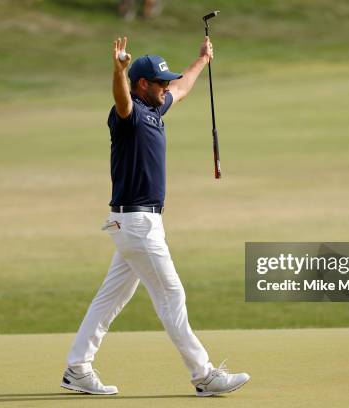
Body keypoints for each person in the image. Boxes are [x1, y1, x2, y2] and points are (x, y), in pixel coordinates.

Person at [61, 36, 250, 397]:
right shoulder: (128, 113)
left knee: (110, 298)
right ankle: (204, 375)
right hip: (137, 223)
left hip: (136, 223)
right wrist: (118, 71)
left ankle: (77, 367)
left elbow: (182, 90)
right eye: (159, 82)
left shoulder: (155, 107)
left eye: (166, 82)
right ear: (141, 85)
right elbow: (120, 97)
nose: (166, 88)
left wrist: (201, 61)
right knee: (171, 295)